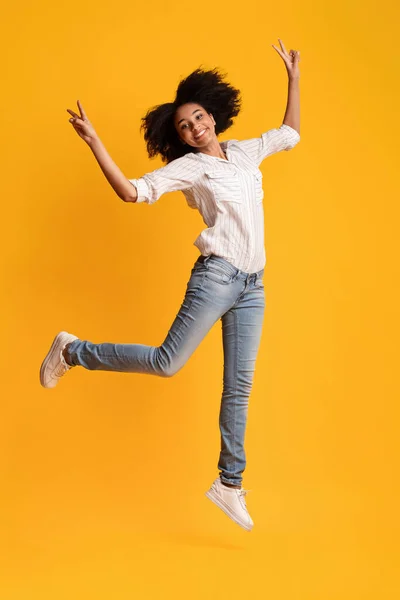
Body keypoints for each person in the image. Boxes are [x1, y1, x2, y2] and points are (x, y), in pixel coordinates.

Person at [40, 39, 301, 532]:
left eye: (199, 117)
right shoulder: (190, 168)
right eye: (184, 125)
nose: (195, 127)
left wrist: (293, 77)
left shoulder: (245, 152)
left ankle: (228, 482)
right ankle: (73, 351)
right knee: (167, 362)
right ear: (179, 137)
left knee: (239, 386)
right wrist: (95, 141)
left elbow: (290, 132)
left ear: (214, 115)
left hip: (253, 284)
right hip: (217, 277)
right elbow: (131, 192)